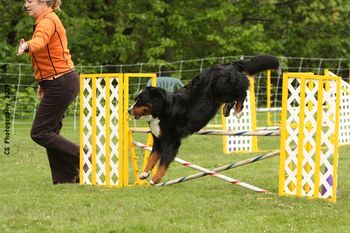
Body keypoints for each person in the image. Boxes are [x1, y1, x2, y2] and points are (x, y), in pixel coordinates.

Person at [17, 0, 80, 184]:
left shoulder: (47, 21)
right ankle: (67, 178)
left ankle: (82, 155)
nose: (26, 4)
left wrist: (27, 46)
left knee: (40, 132)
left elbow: (40, 42)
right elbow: (47, 55)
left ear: (43, 2)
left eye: (30, 1)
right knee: (51, 131)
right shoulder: (45, 19)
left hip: (62, 81)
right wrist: (43, 83)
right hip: (57, 82)